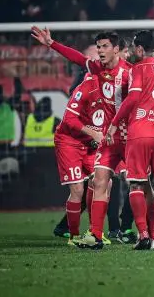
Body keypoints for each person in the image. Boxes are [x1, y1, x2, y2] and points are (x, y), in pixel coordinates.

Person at [31, 27, 139, 249]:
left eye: (104, 47)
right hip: (75, 140)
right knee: (86, 187)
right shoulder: (92, 77)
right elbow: (78, 58)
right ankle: (76, 234)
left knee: (111, 182)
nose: (99, 51)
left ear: (117, 50)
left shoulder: (129, 74)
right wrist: (52, 44)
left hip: (109, 137)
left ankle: (111, 231)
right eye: (98, 47)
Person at [105, 30, 154, 250]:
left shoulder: (139, 68)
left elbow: (134, 97)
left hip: (140, 132)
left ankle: (143, 236)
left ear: (140, 49)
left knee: (137, 184)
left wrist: (114, 122)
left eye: (133, 49)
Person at [54, 74, 108, 245]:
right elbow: (69, 119)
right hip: (69, 142)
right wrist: (94, 134)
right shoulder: (85, 87)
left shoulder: (115, 92)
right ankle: (73, 236)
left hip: (91, 144)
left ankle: (95, 231)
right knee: (77, 189)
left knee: (104, 181)